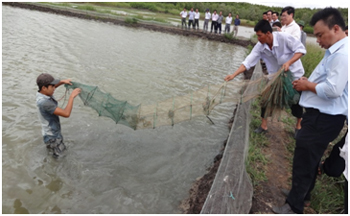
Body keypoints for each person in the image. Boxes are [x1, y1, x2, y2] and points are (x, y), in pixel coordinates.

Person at [272, 7, 348, 214]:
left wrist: (307, 86)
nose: (319, 41)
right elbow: (328, 81)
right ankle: (303, 196)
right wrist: (309, 81)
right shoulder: (334, 51)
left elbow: (333, 90)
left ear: (335, 28)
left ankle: (294, 206)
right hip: (322, 117)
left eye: (320, 35)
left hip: (324, 118)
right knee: (310, 159)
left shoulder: (343, 54)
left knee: (304, 160)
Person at [224, 20, 306, 134]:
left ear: (268, 33)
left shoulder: (284, 38)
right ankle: (264, 126)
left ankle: (298, 126)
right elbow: (249, 61)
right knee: (266, 100)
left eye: (259, 35)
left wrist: (289, 62)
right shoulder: (260, 46)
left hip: (293, 75)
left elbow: (301, 50)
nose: (258, 38)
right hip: (275, 77)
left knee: (295, 103)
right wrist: (233, 75)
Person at [36, 73, 81, 158]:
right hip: (52, 137)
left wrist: (62, 82)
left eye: (54, 85)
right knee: (60, 158)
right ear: (44, 88)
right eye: (52, 86)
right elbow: (66, 114)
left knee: (55, 155)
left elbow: (51, 87)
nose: (54, 88)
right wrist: (72, 97)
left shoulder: (41, 94)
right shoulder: (45, 103)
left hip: (49, 133)